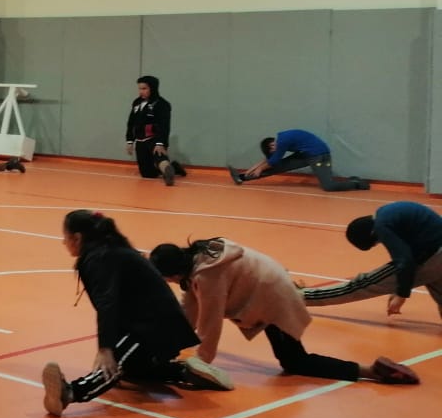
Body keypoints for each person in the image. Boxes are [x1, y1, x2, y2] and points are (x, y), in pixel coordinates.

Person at [41, 209, 231, 417]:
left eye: (65, 237)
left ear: (77, 238)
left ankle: (68, 393)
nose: (64, 242)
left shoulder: (100, 257)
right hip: (150, 323)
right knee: (132, 371)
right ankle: (183, 371)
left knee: (115, 363)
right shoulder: (107, 250)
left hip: (155, 326)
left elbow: (108, 303)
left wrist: (106, 348)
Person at [149, 237, 418, 385]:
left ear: (174, 273)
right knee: (294, 359)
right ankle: (372, 370)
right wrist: (168, 346)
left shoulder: (207, 276)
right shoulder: (200, 258)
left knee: (295, 362)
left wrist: (201, 363)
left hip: (273, 300)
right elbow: (189, 310)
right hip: (271, 288)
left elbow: (210, 322)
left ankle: (372, 371)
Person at [301, 202, 442, 318]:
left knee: (363, 284)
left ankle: (299, 297)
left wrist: (401, 294)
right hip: (434, 252)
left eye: (376, 242)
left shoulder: (382, 226)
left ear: (372, 234)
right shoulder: (385, 212)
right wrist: (400, 285)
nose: (379, 242)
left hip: (432, 256)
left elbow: (404, 261)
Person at [230, 130, 369, 191]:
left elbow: (273, 161)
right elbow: (269, 160)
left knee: (329, 186)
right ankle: (242, 177)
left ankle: (356, 183)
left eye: (272, 148)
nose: (274, 149)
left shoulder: (282, 141)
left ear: (272, 143)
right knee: (278, 166)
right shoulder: (280, 140)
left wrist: (260, 168)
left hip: (320, 156)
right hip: (305, 155)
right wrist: (248, 171)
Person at [125, 75, 186, 186]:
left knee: (159, 156)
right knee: (147, 174)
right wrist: (130, 141)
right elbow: (131, 123)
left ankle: (167, 172)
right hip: (140, 140)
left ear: (152, 88)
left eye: (144, 88)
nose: (141, 91)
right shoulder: (136, 103)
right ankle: (174, 168)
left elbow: (165, 125)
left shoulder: (162, 104)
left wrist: (160, 143)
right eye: (139, 88)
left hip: (155, 138)